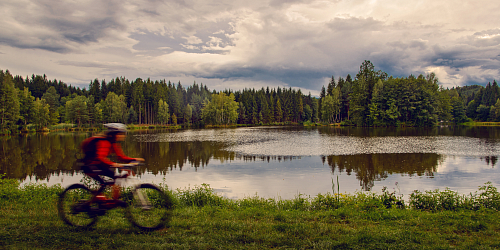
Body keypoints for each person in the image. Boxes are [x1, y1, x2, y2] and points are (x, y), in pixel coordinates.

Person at [81, 123, 144, 199]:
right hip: (89, 166)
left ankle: (113, 201)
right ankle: (98, 200)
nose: (123, 135)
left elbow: (121, 157)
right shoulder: (104, 142)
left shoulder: (113, 143)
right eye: (121, 133)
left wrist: (134, 160)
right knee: (103, 183)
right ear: (114, 134)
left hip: (98, 165)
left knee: (116, 178)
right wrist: (114, 164)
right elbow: (100, 158)